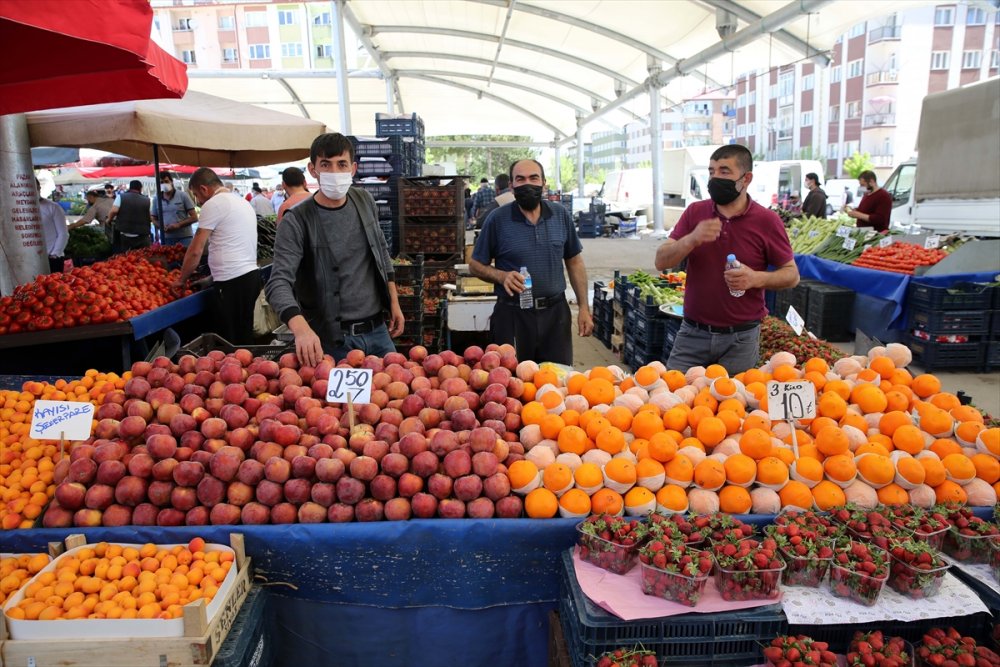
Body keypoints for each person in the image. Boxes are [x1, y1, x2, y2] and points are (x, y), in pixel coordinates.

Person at [653, 145, 799, 374]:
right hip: (692, 333)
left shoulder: (767, 220)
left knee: (733, 406)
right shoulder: (695, 212)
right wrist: (691, 239)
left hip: (741, 339)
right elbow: (661, 261)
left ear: (746, 178)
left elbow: (791, 275)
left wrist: (754, 278)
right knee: (674, 399)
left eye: (724, 171)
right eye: (711, 171)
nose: (715, 178)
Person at [265, 132, 405, 365]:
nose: (334, 172)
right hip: (331, 339)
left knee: (391, 395)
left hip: (378, 332)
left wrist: (393, 301)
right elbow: (278, 282)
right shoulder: (297, 220)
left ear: (353, 168)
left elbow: (380, 250)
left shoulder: (364, 201)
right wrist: (301, 329)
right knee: (339, 402)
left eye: (341, 164)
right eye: (325, 165)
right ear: (313, 170)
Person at [470, 159, 594, 366]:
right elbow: (475, 264)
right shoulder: (497, 219)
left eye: (533, 178)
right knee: (512, 384)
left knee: (556, 382)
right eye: (520, 179)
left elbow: (574, 262)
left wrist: (583, 307)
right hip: (512, 315)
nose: (527, 184)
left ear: (544, 183)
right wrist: (501, 276)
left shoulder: (560, 215)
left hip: (555, 316)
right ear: (511, 185)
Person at [172, 168, 260, 344]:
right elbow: (234, 246)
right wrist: (211, 279)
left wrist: (181, 280)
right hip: (249, 277)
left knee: (229, 340)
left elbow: (196, 249)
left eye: (196, 194)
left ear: (204, 189)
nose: (197, 200)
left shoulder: (214, 204)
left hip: (232, 283)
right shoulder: (240, 201)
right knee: (243, 337)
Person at [151, 171, 198, 247]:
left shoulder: (183, 195)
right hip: (166, 238)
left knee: (184, 258)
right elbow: (153, 218)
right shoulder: (156, 199)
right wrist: (161, 226)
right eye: (161, 182)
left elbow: (194, 217)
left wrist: (179, 225)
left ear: (171, 181)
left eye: (166, 181)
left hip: (184, 237)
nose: (164, 184)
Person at [107, 180, 152, 251]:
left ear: (130, 187)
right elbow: (150, 217)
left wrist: (108, 220)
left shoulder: (121, 197)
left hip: (125, 233)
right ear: (140, 188)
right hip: (142, 235)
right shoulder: (146, 200)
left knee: (126, 258)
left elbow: (114, 211)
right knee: (143, 257)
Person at [36, 179, 68, 273]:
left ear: (39, 188)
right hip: (29, 259)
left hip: (52, 258)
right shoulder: (18, 210)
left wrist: (55, 254)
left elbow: (63, 234)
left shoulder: (53, 207)